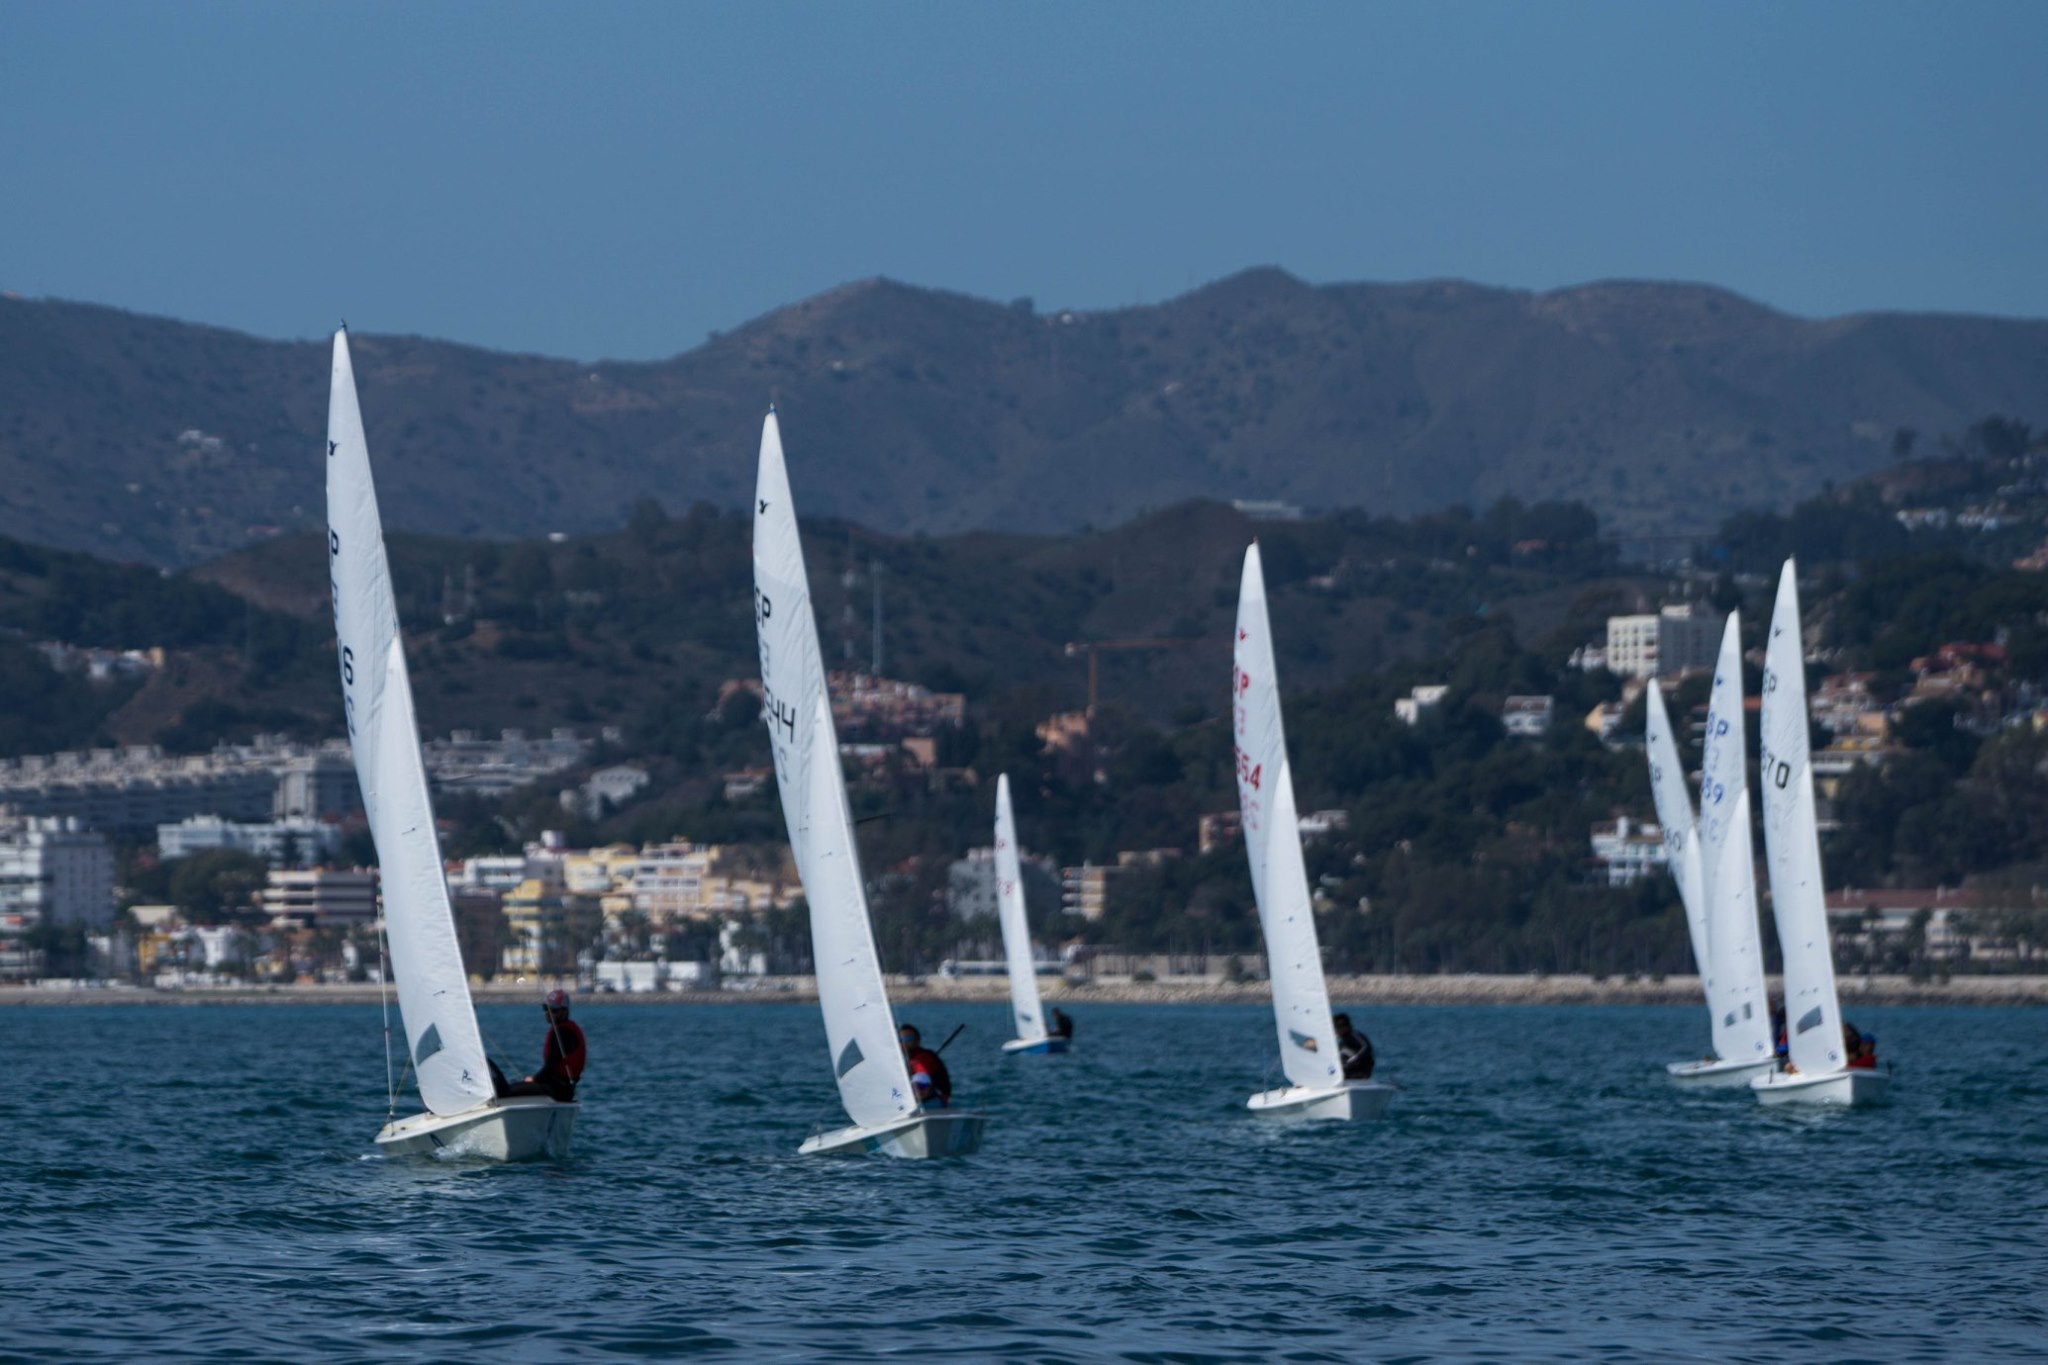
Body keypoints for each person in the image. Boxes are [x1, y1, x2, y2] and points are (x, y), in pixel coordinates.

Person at [496, 988, 586, 1102]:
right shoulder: (562, 1029)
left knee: (504, 1091)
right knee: (510, 1086)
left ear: (564, 1012)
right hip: (557, 1087)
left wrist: (534, 1079)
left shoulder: (564, 1032)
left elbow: (552, 1065)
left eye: (553, 1010)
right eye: (546, 1008)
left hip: (558, 1089)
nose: (548, 1013)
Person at [899, 1023, 952, 1108]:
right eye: (901, 1039)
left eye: (908, 1039)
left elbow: (922, 1085)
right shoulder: (907, 1058)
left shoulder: (922, 1058)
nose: (904, 1042)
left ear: (918, 1041)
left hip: (928, 1103)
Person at [1333, 1012, 1375, 1080]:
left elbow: (1366, 1047)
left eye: (1337, 1028)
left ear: (1345, 1027)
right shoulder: (1341, 1040)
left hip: (1362, 1069)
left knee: (1344, 1053)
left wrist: (1355, 1058)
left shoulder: (1354, 1035)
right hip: (1349, 1069)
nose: (1335, 1031)